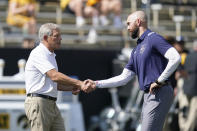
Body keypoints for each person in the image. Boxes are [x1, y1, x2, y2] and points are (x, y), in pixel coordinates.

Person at [82, 11, 181, 131]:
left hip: (159, 91)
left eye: (129, 24)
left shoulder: (153, 38)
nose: (127, 28)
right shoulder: (136, 50)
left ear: (138, 22)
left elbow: (175, 58)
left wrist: (159, 81)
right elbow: (123, 78)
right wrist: (96, 83)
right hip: (150, 94)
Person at [24, 23, 92, 131]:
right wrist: (79, 83)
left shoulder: (49, 54)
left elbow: (54, 84)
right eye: (57, 36)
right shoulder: (39, 53)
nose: (60, 38)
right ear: (46, 38)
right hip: (39, 103)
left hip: (49, 103)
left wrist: (72, 88)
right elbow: (54, 76)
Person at [180, 40, 197, 131]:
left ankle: (182, 126)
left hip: (186, 86)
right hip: (195, 88)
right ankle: (188, 128)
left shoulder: (188, 56)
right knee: (193, 111)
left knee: (184, 108)